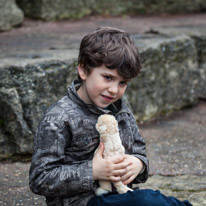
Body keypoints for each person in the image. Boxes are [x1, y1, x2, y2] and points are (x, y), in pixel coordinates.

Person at [29, 27, 192, 206]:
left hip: (122, 195)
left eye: (122, 82)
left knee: (150, 199)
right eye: (108, 77)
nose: (114, 90)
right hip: (82, 202)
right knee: (146, 201)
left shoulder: (120, 109)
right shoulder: (58, 118)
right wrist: (92, 171)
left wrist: (138, 164)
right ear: (83, 70)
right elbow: (40, 178)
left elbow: (138, 149)